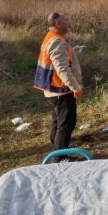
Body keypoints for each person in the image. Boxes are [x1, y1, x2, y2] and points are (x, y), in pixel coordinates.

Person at [34, 12, 84, 155]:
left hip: (52, 90)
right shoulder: (56, 41)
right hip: (60, 90)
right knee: (67, 123)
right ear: (57, 23)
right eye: (65, 20)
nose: (68, 22)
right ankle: (60, 157)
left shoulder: (52, 38)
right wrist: (75, 87)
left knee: (57, 121)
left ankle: (58, 148)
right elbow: (62, 68)